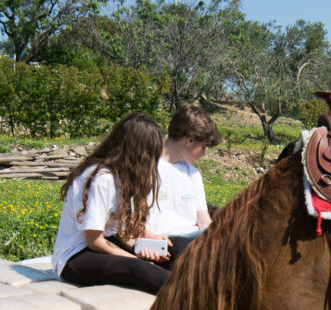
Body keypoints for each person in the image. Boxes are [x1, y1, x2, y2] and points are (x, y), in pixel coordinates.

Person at [51, 113, 192, 294]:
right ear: (139, 152)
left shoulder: (125, 176)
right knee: (139, 269)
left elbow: (121, 228)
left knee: (181, 247)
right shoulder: (101, 179)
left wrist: (146, 238)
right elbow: (94, 241)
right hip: (78, 255)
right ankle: (189, 299)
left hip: (111, 240)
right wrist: (137, 258)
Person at [146, 104, 222, 239]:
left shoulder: (193, 174)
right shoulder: (147, 168)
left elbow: (203, 220)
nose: (203, 154)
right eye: (203, 147)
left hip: (191, 241)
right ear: (190, 140)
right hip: (161, 241)